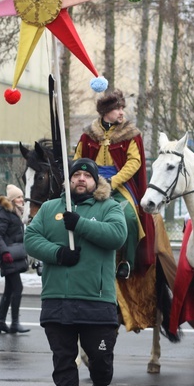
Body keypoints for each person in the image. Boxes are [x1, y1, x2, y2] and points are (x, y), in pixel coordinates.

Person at [24, 158, 127, 386]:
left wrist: (79, 224)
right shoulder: (49, 209)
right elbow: (31, 239)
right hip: (58, 298)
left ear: (95, 181)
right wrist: (58, 254)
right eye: (76, 175)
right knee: (63, 360)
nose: (81, 179)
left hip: (98, 300)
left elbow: (117, 235)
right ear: (68, 180)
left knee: (101, 361)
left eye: (86, 175)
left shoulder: (109, 207)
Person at [73, 89, 154, 280]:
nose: (121, 113)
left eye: (122, 108)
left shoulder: (130, 134)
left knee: (130, 218)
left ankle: (127, 261)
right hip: (90, 183)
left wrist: (113, 181)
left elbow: (134, 162)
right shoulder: (88, 135)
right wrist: (86, 179)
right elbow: (78, 158)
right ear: (106, 112)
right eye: (118, 109)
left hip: (119, 185)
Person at [0, 184, 31, 335]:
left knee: (9, 290)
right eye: (19, 197)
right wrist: (5, 252)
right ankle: (14, 323)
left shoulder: (16, 213)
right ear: (13, 200)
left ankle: (0, 323)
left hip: (14, 256)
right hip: (9, 257)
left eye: (22, 197)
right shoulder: (5, 212)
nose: (22, 200)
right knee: (17, 288)